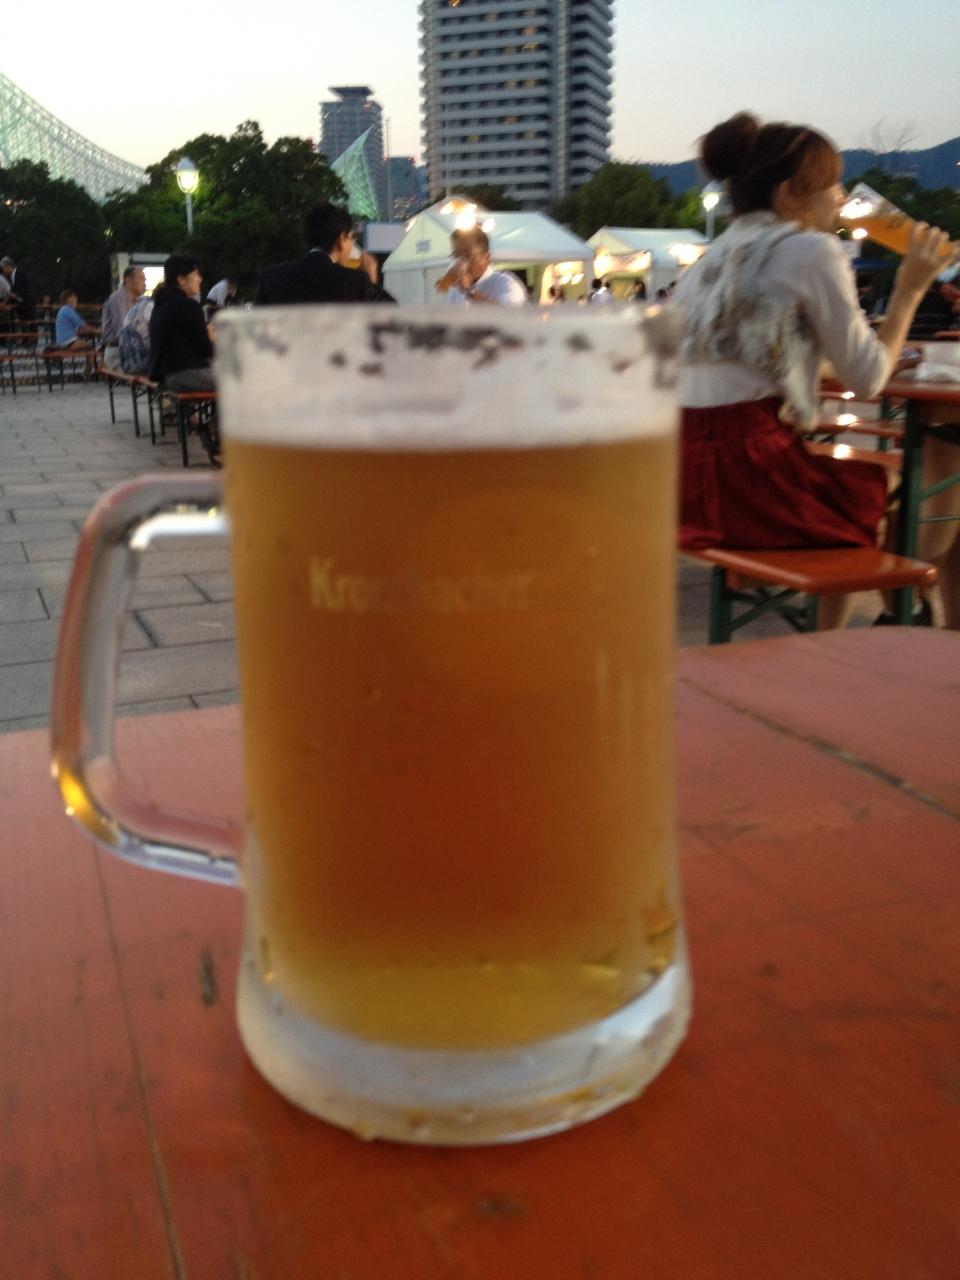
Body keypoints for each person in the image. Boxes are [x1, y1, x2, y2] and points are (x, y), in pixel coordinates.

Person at [673, 111, 952, 629]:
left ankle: (896, 612)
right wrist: (910, 288)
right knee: (910, 482)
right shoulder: (811, 249)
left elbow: (747, 360)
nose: (842, 197)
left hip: (684, 478)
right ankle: (896, 611)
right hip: (751, 476)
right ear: (789, 196)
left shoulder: (712, 258)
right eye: (832, 184)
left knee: (859, 494)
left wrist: (826, 364)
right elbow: (869, 379)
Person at [149, 254, 219, 463]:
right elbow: (206, 350)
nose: (200, 279)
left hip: (166, 374)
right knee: (239, 382)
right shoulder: (188, 306)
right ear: (181, 279)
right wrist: (212, 337)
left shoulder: (161, 304)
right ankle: (218, 437)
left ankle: (211, 430)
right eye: (196, 275)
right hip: (185, 374)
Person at [256, 202, 394, 305]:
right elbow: (393, 320)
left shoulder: (271, 279)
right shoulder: (356, 283)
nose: (352, 245)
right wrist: (372, 282)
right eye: (351, 237)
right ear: (340, 240)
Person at [434, 227, 527, 306]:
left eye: (467, 255)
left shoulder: (506, 284)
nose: (460, 261)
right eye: (456, 255)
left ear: (487, 257)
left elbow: (505, 314)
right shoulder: (456, 291)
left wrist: (469, 291)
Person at [100, 266, 146, 369]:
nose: (145, 282)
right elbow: (124, 330)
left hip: (130, 350)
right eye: (141, 278)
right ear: (128, 281)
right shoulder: (118, 299)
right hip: (118, 352)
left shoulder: (139, 300)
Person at [54, 288, 97, 378]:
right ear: (68, 299)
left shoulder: (64, 310)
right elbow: (82, 324)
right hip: (68, 341)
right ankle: (86, 374)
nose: (76, 300)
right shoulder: (67, 310)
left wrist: (86, 329)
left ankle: (86, 373)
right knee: (91, 350)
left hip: (64, 341)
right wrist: (96, 330)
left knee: (88, 348)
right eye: (74, 298)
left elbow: (78, 327)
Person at [1, 255, 35, 322]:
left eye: (3, 268)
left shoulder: (19, 274)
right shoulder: (12, 277)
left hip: (26, 308)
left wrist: (13, 296)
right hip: (22, 307)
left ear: (8, 266)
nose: (3, 271)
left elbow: (22, 293)